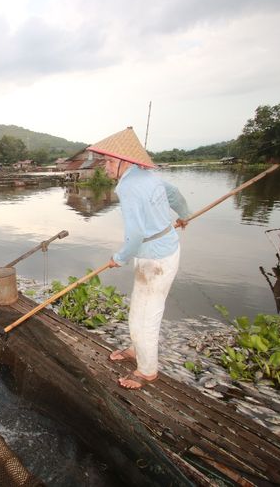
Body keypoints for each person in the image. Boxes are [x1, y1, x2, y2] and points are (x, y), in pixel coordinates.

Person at [87, 127, 191, 390]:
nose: (106, 167)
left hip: (155, 259)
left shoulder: (130, 187)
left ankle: (147, 371)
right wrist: (184, 214)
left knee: (144, 317)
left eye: (110, 161)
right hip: (163, 249)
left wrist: (119, 258)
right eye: (105, 161)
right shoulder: (148, 176)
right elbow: (175, 195)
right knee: (141, 309)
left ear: (126, 161)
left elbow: (134, 235)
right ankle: (136, 349)